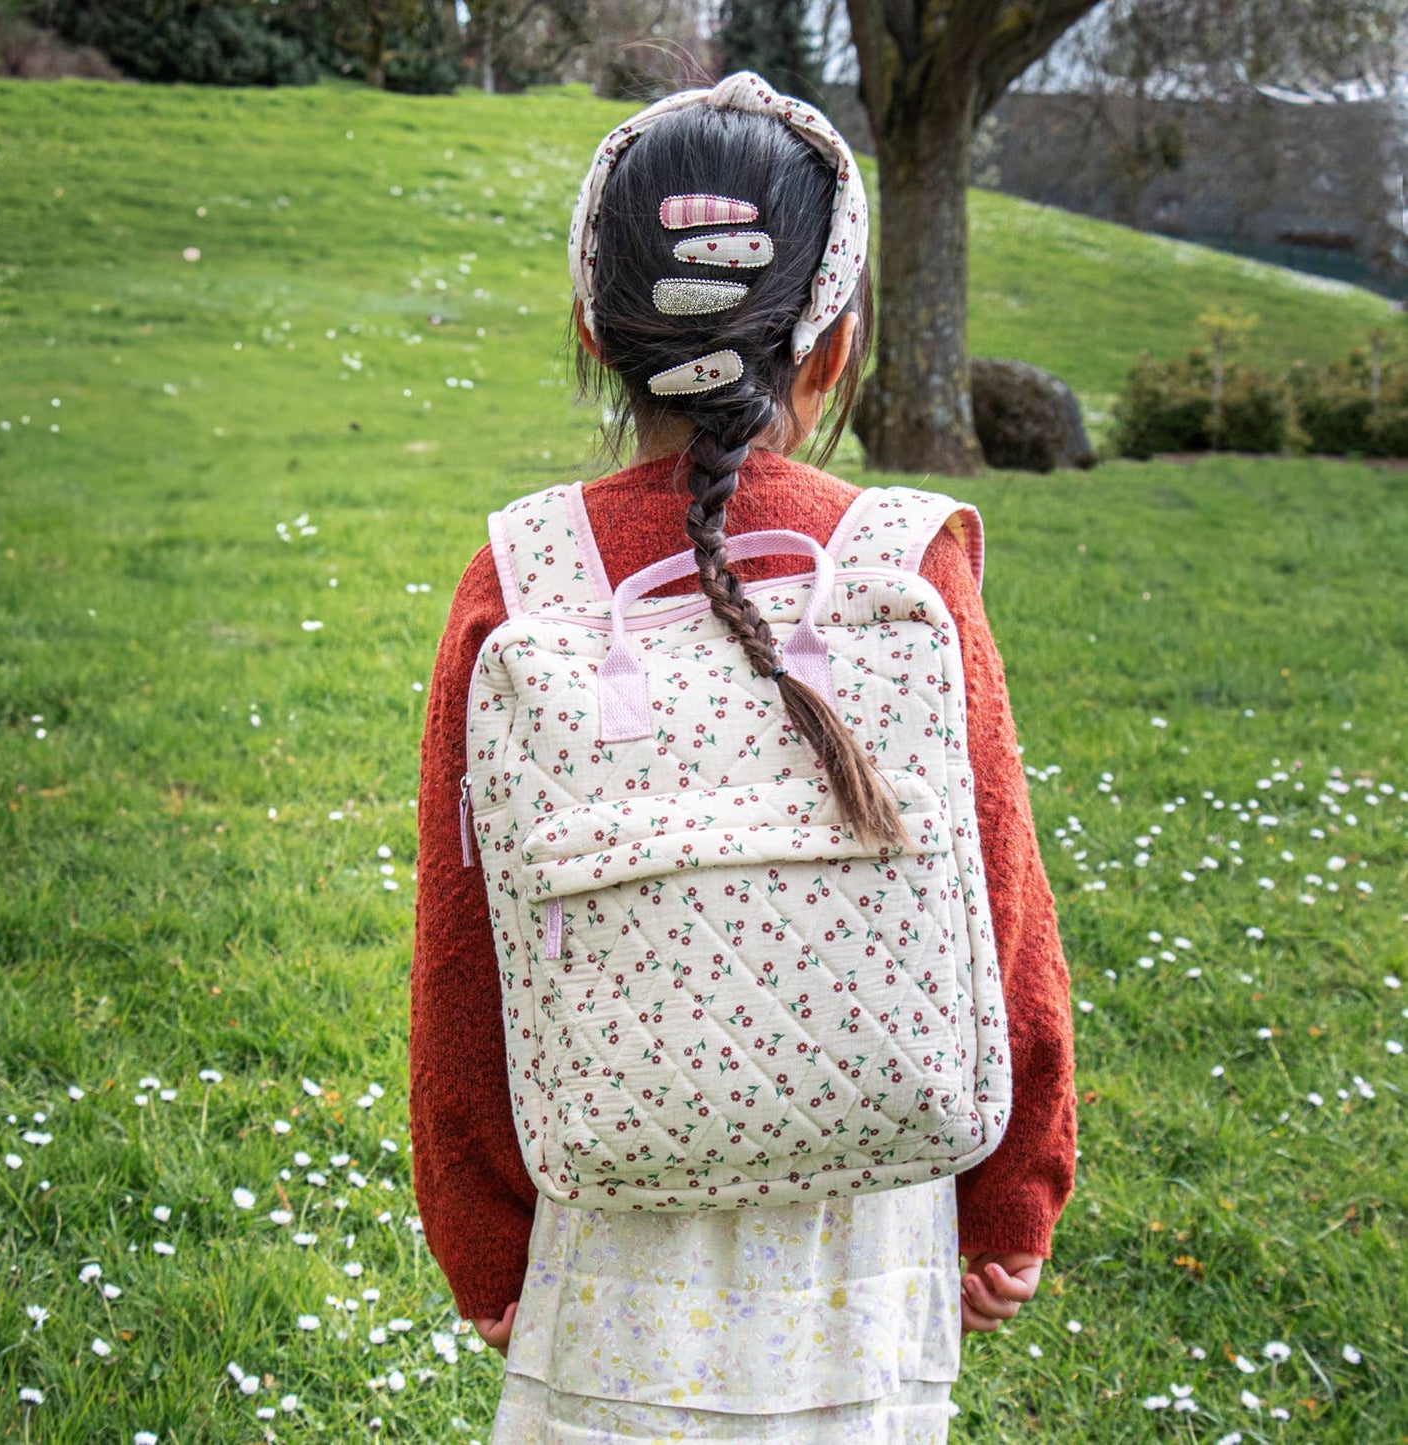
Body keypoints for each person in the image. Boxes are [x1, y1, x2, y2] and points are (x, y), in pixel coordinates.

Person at [411, 73, 1076, 1444]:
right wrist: (1011, 1187)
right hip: (865, 1218)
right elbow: (996, 904)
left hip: (606, 1246)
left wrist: (483, 1225)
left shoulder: (522, 576)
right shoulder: (910, 563)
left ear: (595, 330)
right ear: (829, 346)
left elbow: (463, 933)